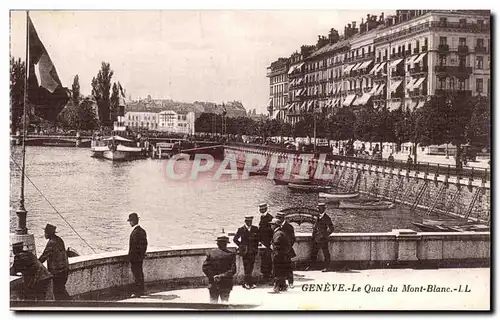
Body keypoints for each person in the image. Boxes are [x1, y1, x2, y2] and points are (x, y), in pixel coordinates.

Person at [202, 233, 237, 303]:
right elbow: (233, 270)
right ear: (226, 244)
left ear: (217, 243)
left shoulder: (211, 253)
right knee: (225, 303)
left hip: (213, 283)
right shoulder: (231, 254)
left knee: (213, 304)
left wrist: (214, 276)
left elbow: (205, 267)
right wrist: (221, 276)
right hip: (226, 283)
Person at [39, 224, 70, 300]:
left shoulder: (51, 242)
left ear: (48, 233)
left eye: (45, 232)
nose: (44, 234)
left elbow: (44, 256)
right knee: (61, 290)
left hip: (57, 272)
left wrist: (34, 263)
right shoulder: (59, 239)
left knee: (58, 292)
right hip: (64, 271)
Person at [233, 216, 260, 289]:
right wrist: (241, 246)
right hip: (245, 252)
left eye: (250, 221)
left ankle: (248, 283)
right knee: (247, 268)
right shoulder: (241, 229)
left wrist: (255, 248)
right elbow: (235, 239)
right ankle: (247, 283)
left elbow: (257, 239)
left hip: (253, 251)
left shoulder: (255, 229)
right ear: (245, 221)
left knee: (250, 267)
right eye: (248, 221)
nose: (249, 223)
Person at [307, 203, 334, 272]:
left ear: (323, 209)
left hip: (323, 239)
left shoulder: (326, 218)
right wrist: (313, 237)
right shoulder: (318, 217)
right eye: (318, 208)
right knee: (314, 252)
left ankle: (328, 267)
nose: (318, 209)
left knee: (326, 253)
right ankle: (312, 266)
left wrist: (324, 235)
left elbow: (331, 228)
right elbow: (315, 228)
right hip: (316, 239)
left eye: (320, 208)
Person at [127, 213, 148, 297]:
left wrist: (132, 256)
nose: (129, 223)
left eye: (130, 221)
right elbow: (144, 245)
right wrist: (141, 255)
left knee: (136, 274)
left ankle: (138, 292)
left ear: (133, 221)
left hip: (134, 258)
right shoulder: (142, 231)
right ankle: (141, 290)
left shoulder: (135, 232)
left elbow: (134, 247)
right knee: (140, 273)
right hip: (140, 257)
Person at [270, 218, 291, 293]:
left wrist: (272, 247)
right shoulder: (282, 232)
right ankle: (283, 286)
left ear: (275, 225)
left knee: (277, 271)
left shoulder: (277, 233)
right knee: (281, 271)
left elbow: (277, 244)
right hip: (283, 255)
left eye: (272, 224)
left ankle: (276, 288)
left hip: (278, 255)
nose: (271, 226)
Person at [276, 212, 296, 289]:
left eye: (280, 218)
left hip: (287, 250)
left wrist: (287, 247)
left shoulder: (289, 227)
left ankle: (291, 282)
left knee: (288, 267)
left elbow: (293, 239)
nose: (278, 219)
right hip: (279, 251)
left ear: (283, 218)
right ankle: (282, 283)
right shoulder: (277, 226)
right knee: (280, 267)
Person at [257, 203, 273, 283]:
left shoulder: (269, 218)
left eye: (262, 209)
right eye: (260, 209)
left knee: (267, 259)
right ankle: (266, 275)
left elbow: (270, 231)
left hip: (267, 242)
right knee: (265, 258)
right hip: (263, 241)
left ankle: (268, 275)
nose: (260, 210)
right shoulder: (263, 217)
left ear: (265, 209)